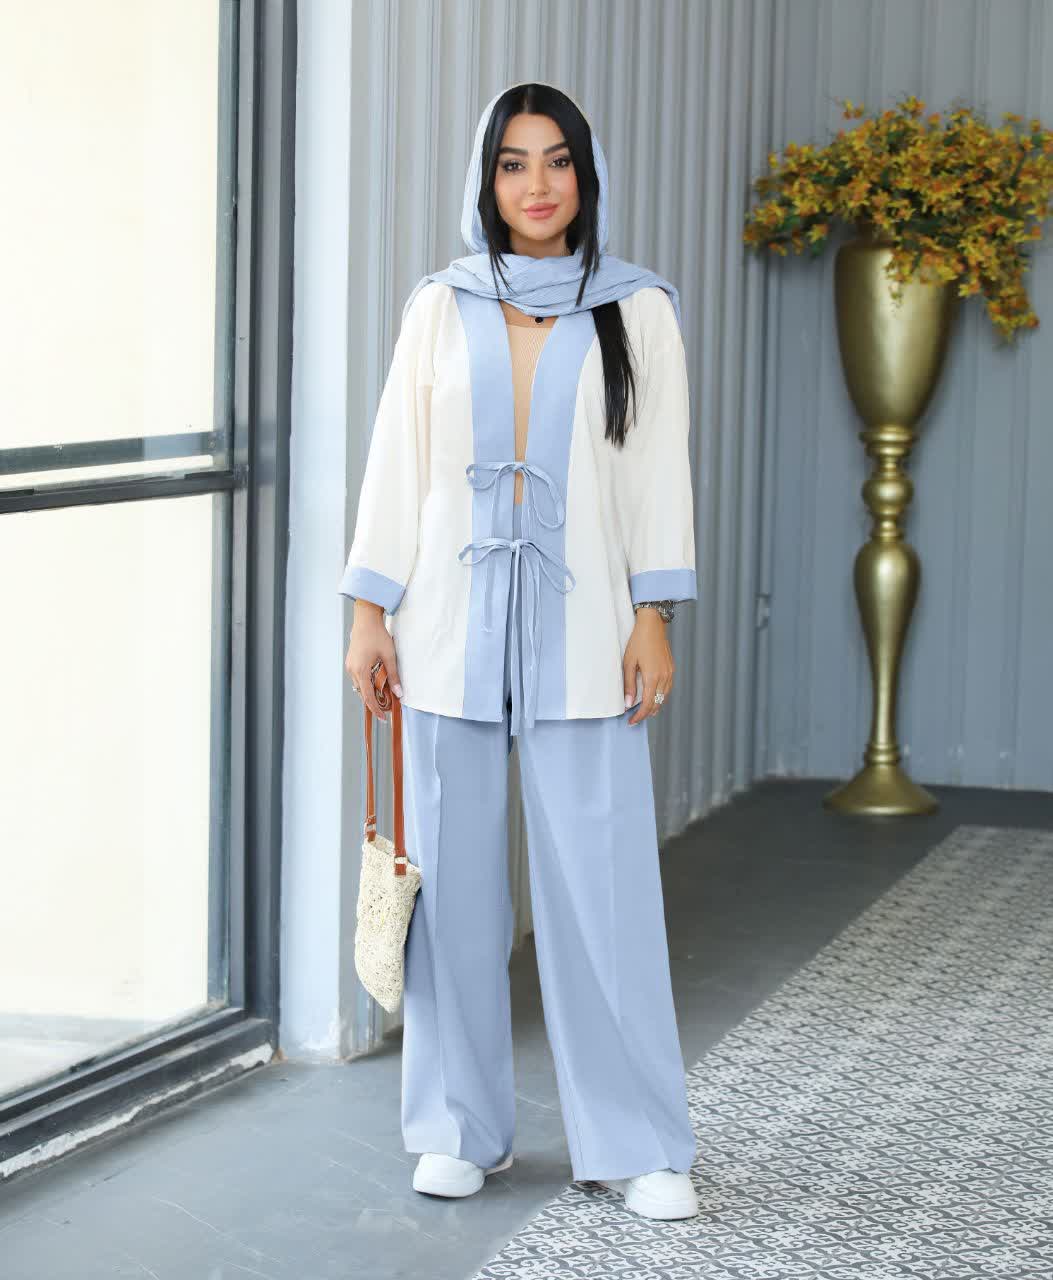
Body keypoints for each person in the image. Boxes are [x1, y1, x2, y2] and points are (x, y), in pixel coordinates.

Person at [340, 82, 699, 1221]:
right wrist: (369, 611)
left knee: (603, 892)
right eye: (512, 163)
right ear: (485, 180)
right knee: (452, 896)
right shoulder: (438, 307)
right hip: (445, 633)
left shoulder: (637, 309)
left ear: (585, 176)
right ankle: (458, 1127)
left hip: (588, 634)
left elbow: (655, 469)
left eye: (556, 161)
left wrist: (654, 612)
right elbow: (397, 460)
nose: (536, 185)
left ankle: (637, 1142)